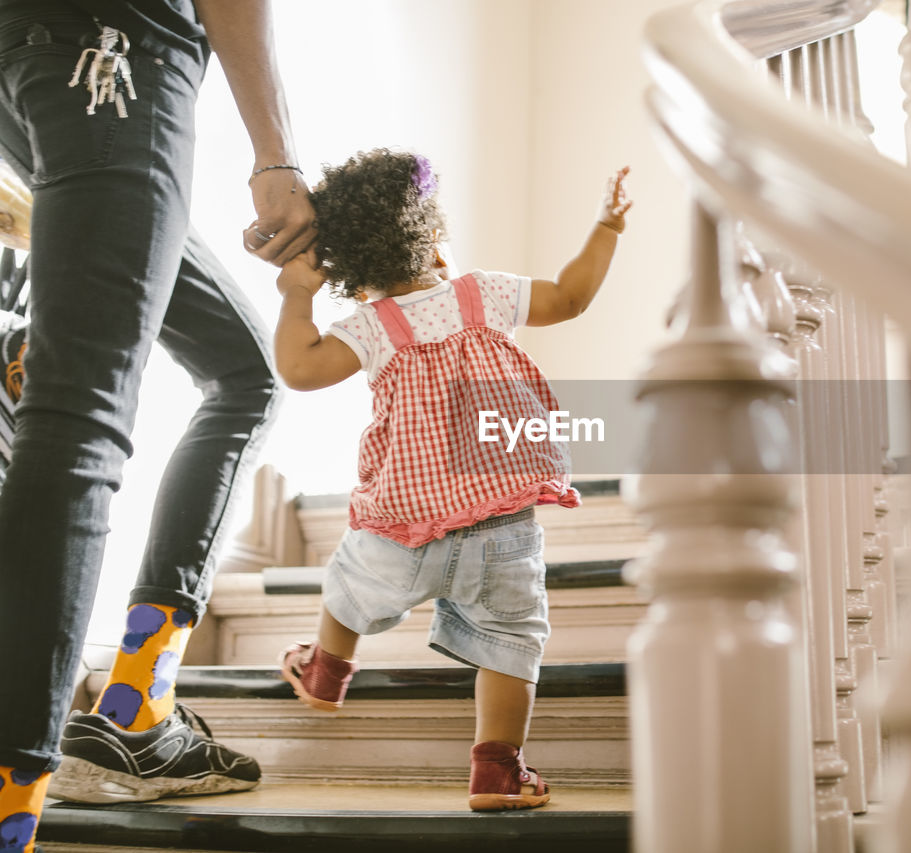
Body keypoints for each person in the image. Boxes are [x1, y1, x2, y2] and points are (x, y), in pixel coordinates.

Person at [0, 0, 315, 846]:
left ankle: (137, 702)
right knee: (77, 418)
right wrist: (275, 154)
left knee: (245, 371)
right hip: (116, 52)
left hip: (46, 66)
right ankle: (8, 815)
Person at [273, 149, 630, 811]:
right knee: (512, 640)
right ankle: (497, 768)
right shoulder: (485, 293)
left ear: (354, 278)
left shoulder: (371, 325)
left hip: (406, 525)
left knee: (349, 573)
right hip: (503, 526)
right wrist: (604, 229)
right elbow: (572, 295)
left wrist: (297, 292)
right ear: (434, 242)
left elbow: (298, 366)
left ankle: (328, 670)